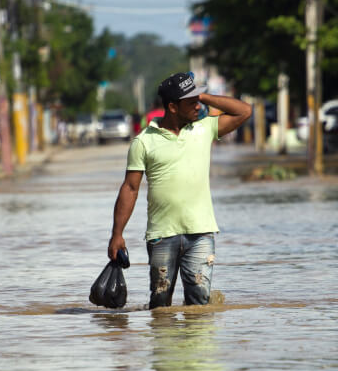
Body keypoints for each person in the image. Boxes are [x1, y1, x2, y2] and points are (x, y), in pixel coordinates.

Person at [108, 71, 252, 308]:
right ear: (173, 107)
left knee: (199, 305)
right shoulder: (143, 142)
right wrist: (117, 235)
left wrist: (203, 96)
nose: (197, 107)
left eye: (198, 101)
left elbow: (244, 111)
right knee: (160, 305)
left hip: (201, 233)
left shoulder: (204, 129)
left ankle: (196, 345)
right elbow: (130, 188)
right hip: (161, 235)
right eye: (191, 102)